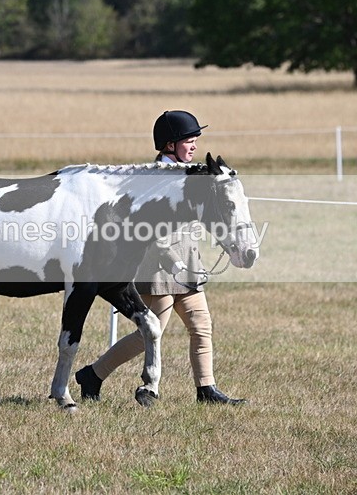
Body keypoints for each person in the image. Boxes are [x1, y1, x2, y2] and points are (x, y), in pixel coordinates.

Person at [75, 110, 246, 405]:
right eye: (189, 141)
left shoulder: (192, 175)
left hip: (189, 268)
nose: (194, 146)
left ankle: (206, 389)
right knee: (147, 335)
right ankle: (93, 374)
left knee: (201, 327)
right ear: (169, 145)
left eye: (195, 141)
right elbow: (150, 232)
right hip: (158, 271)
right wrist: (174, 263)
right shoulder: (154, 179)